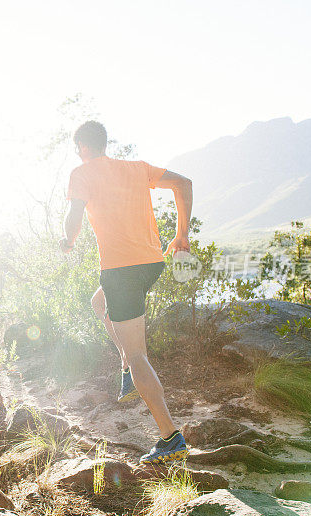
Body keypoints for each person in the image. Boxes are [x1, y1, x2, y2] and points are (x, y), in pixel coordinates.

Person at [59, 120, 193, 464]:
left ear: (84, 148)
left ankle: (169, 436)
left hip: (121, 270)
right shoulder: (136, 168)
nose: (78, 153)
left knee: (138, 355)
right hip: (150, 263)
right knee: (98, 303)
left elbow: (74, 215)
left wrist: (68, 241)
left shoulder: (82, 173)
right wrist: (181, 236)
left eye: (78, 148)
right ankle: (126, 364)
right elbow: (183, 183)